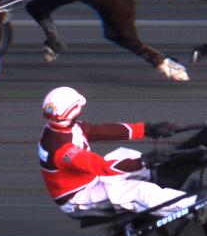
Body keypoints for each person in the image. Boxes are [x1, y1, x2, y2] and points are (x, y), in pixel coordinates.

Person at [37, 86, 192, 220]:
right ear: (74, 111)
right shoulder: (62, 150)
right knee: (139, 191)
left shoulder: (62, 127)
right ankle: (191, 205)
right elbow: (102, 167)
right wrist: (144, 161)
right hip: (79, 196)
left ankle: (162, 185)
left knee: (127, 154)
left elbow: (100, 131)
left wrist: (146, 129)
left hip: (88, 178)